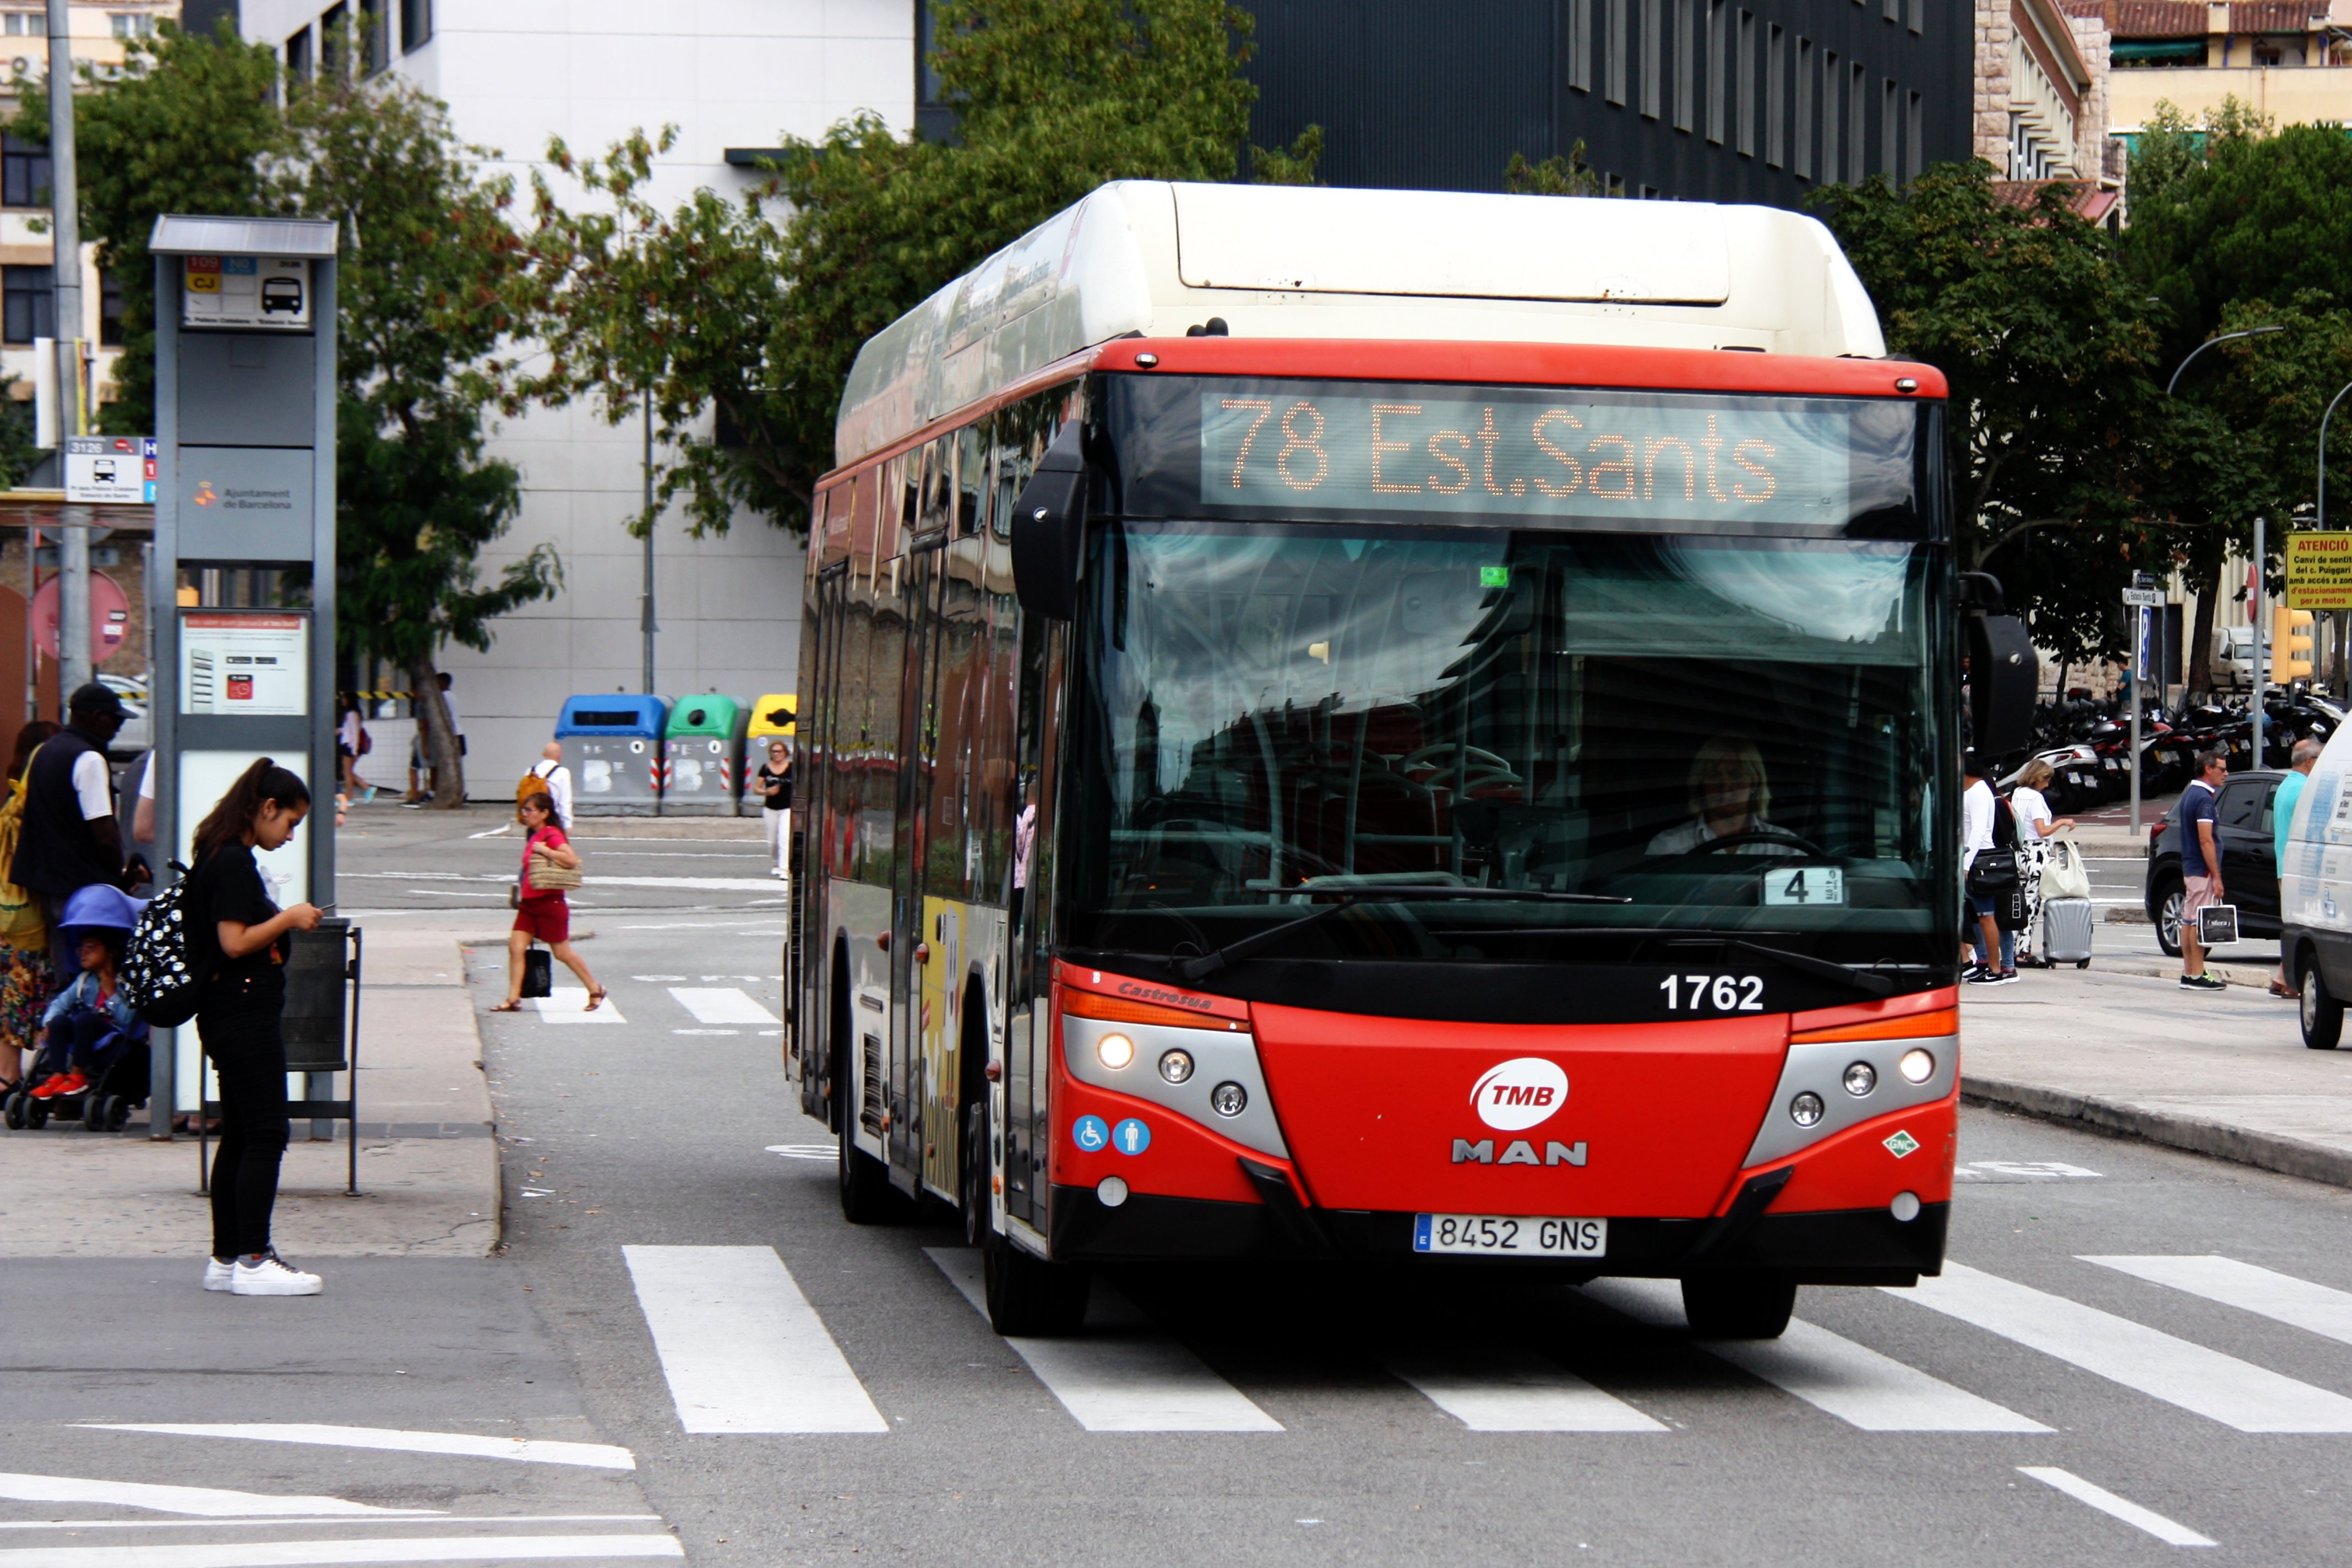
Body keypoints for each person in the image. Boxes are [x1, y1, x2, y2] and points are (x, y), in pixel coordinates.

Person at [185, 759, 325, 1296]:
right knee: (267, 1131)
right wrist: (289, 918)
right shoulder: (231, 863)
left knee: (242, 1132)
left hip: (228, 1012)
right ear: (266, 808)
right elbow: (234, 941)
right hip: (242, 1013)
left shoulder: (220, 855)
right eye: (289, 823)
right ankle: (253, 1257)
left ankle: (226, 1258)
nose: (290, 836)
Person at [11, 683, 130, 981]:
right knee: (91, 978)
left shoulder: (47, 751)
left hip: (49, 886)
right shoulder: (88, 759)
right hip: (84, 890)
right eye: (115, 718)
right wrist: (120, 878)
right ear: (95, 717)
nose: (119, 726)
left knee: (64, 975)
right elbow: (104, 832)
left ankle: (58, 1025)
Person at [27, 886, 146, 1101]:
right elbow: (61, 1003)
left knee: (85, 1019)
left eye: (91, 947)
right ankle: (57, 1075)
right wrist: (49, 1022)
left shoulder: (127, 982)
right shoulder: (85, 981)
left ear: (112, 951)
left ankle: (78, 1075)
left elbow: (127, 1019)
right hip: (86, 1033)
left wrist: (110, 989)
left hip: (115, 1038)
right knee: (62, 1021)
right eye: (81, 948)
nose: (83, 952)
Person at [491, 791, 605, 1012]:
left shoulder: (550, 835)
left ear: (544, 813)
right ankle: (513, 998)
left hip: (549, 904)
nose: (525, 814)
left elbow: (571, 860)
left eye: (530, 810)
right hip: (530, 904)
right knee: (516, 947)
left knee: (562, 953)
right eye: (524, 810)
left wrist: (545, 850)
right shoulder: (533, 834)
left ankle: (595, 989)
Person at [0, 720, 57, 1094]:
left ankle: (6, 1075)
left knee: (9, 993)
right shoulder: (32, 804)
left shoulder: (12, 800)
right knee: (21, 993)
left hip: (6, 912)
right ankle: (9, 1077)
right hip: (30, 914)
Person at [1646, 736, 1803, 856]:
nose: (1725, 786)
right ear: (1701, 784)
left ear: (1755, 783)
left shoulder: (1786, 848)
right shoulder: (1669, 846)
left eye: (1736, 775)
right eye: (1715, 776)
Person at [2007, 759, 2075, 967]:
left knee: (2017, 903)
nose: (2047, 785)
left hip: (2020, 852)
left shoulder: (2018, 793)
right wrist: (2063, 822)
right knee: (2032, 904)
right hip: (2036, 853)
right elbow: (2042, 831)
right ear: (2037, 778)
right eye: (2046, 780)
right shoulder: (2036, 799)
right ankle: (2023, 951)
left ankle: (2011, 947)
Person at [2271, 736, 2323, 998]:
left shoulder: (2285, 786)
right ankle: (2291, 982)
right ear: (2310, 762)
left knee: (2295, 923)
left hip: (2285, 865)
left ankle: (2281, 978)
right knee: (2303, 927)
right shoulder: (2306, 789)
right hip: (2300, 869)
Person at [1961, 752, 2017, 984]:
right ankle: (1984, 963)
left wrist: (1966, 863)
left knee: (1986, 916)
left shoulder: (1977, 792)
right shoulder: (1975, 791)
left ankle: (1995, 969)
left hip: (1979, 859)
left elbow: (1978, 830)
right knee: (1976, 916)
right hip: (1974, 858)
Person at [2177, 747, 2229, 992]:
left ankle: (2190, 971)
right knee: (2199, 921)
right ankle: (2197, 974)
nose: (2226, 774)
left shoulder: (2190, 793)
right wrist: (2216, 876)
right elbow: (2206, 840)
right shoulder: (2204, 800)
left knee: (2188, 920)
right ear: (2208, 769)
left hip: (2191, 866)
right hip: (2203, 869)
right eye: (2222, 769)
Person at [406, 673, 462, 804]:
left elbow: (424, 727)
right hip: (447, 735)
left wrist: (423, 745)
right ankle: (431, 792)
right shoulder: (448, 698)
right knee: (434, 767)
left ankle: (415, 796)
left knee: (415, 768)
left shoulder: (425, 704)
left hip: (426, 739)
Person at [753, 739, 792, 879]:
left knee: (784, 838)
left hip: (787, 808)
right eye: (774, 751)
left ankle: (784, 869)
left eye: (779, 751)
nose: (776, 754)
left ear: (785, 753)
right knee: (772, 842)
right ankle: (776, 863)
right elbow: (756, 789)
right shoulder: (766, 768)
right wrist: (767, 792)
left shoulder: (792, 767)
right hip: (771, 808)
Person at [525, 741, 573, 829]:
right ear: (560, 755)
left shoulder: (530, 771)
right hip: (553, 820)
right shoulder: (563, 772)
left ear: (543, 754)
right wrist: (567, 824)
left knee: (534, 842)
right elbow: (565, 802)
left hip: (534, 821)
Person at [336, 696, 373, 802]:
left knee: (347, 773)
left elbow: (355, 733)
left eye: (345, 698)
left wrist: (355, 750)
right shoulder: (353, 714)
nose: (343, 700)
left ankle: (351, 796)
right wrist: (341, 730)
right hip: (349, 745)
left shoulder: (352, 714)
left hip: (349, 746)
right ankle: (365, 789)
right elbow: (350, 730)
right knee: (348, 772)